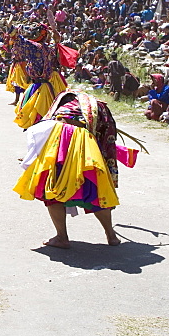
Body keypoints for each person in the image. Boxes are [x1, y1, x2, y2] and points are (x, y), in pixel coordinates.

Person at [14, 91, 140, 249]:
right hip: (87, 145)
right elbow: (108, 140)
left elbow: (40, 132)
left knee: (52, 189)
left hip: (60, 141)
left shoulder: (59, 110)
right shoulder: (100, 108)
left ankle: (61, 237)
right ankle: (111, 236)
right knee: (94, 190)